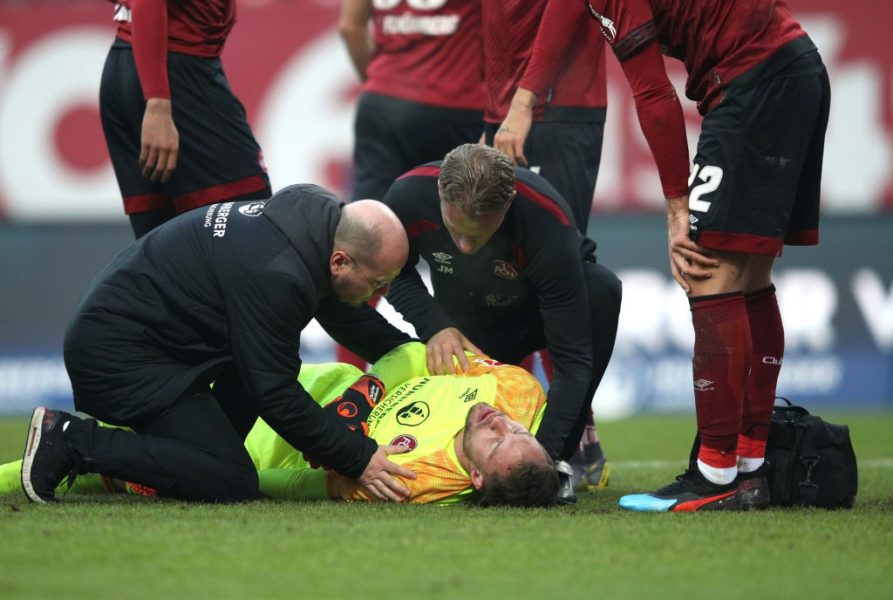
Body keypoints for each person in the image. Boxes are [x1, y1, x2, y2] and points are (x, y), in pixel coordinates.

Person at [573, 0, 831, 511]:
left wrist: (676, 212)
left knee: (706, 270)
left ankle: (715, 474)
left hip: (750, 80)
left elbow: (652, 91)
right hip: (799, 66)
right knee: (751, 278)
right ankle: (752, 468)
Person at [20, 184, 418, 505]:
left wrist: (415, 353)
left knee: (247, 392)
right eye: (377, 282)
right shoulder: (278, 274)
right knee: (232, 480)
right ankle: (70, 438)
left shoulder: (315, 221)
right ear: (339, 261)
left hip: (151, 341)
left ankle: (166, 464)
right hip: (119, 355)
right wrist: (357, 457)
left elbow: (341, 311)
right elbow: (275, 395)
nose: (380, 293)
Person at [4, 343, 558, 507]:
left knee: (105, 455)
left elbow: (302, 484)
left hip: (267, 448)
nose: (501, 424)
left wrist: (204, 481)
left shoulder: (415, 478)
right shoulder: (518, 391)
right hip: (298, 384)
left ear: (478, 481)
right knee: (116, 436)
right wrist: (361, 400)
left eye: (497, 442)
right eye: (520, 431)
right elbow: (414, 354)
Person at [382, 144, 623, 503]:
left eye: (477, 235)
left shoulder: (546, 221)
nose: (464, 247)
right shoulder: (406, 196)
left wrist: (548, 457)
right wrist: (435, 326)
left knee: (602, 290)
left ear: (507, 204)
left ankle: (561, 460)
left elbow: (573, 362)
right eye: (454, 231)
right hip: (469, 325)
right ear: (439, 194)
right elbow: (392, 272)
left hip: (541, 314)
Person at [101, 0, 271, 238]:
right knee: (248, 218)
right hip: (173, 73)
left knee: (160, 244)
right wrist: (158, 101)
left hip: (128, 63)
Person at [339, 0, 485, 202]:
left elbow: (351, 28)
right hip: (454, 103)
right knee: (459, 213)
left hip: (381, 102)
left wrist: (379, 84)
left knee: (371, 215)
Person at [482, 0, 608, 233]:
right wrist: (494, 116)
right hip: (507, 114)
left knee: (558, 248)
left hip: (553, 107)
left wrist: (522, 103)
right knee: (499, 256)